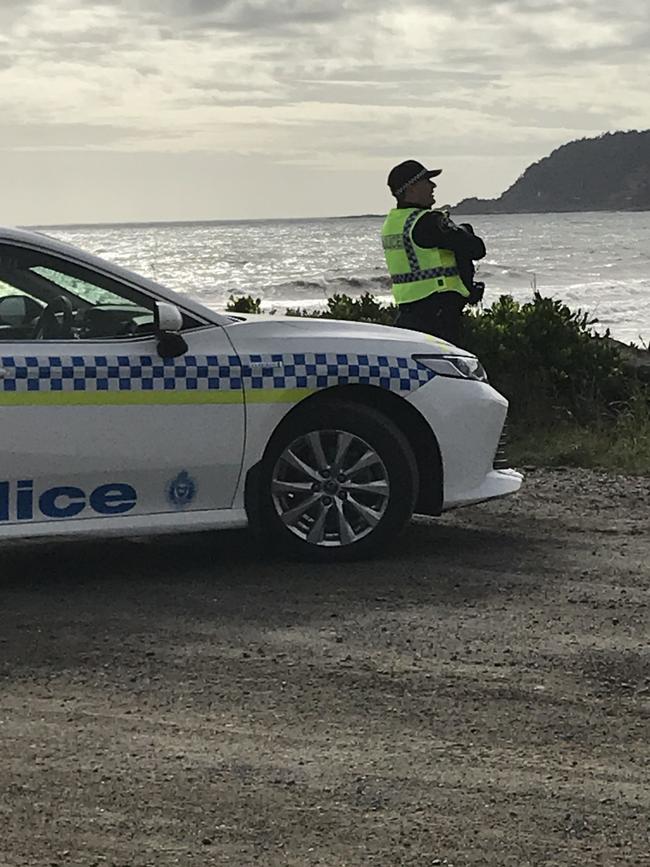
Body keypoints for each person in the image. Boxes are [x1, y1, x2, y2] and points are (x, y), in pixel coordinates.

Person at [381, 159, 487, 346]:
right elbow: (476, 249)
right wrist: (464, 230)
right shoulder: (430, 222)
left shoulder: (392, 223)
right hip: (439, 313)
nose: (433, 185)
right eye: (426, 181)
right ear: (411, 189)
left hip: (407, 311)